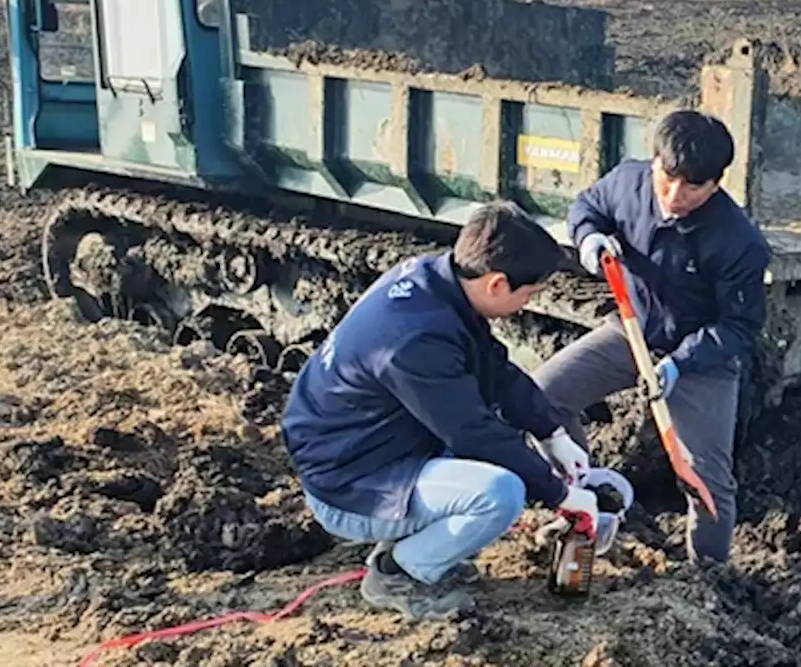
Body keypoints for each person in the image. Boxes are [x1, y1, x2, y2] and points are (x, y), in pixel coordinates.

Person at [281, 201, 598, 620]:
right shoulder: (415, 342)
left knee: (500, 461)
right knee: (499, 494)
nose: (526, 304)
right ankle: (399, 573)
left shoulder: (436, 283)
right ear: (497, 284)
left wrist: (551, 434)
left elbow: (494, 370)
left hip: (374, 449)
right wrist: (560, 494)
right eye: (529, 294)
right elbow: (473, 432)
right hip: (349, 482)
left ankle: (421, 552)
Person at [529, 109, 771, 564]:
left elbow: (739, 326)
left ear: (716, 183)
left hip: (701, 360)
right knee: (543, 397)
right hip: (631, 330)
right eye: (668, 178)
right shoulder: (628, 182)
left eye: (693, 187)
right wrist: (588, 238)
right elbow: (588, 206)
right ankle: (581, 505)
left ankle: (710, 578)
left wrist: (682, 362)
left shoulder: (738, 242)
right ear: (655, 161)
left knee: (705, 477)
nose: (676, 195)